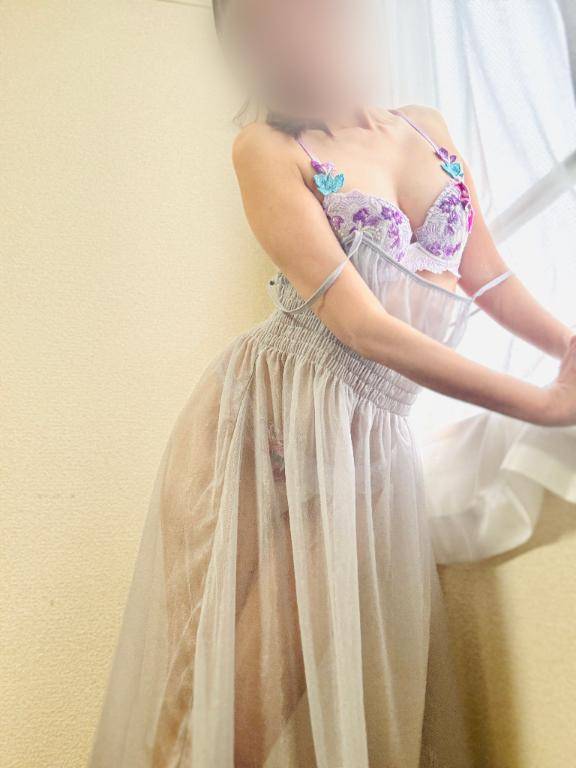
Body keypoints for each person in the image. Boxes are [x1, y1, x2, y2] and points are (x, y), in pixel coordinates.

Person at [88, 1, 576, 766]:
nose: (284, 36)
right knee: (199, 694)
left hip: (367, 443)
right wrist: (542, 402)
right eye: (257, 29)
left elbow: (487, 277)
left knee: (269, 701)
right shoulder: (266, 150)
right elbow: (364, 328)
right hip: (258, 430)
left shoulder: (427, 129)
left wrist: (566, 348)